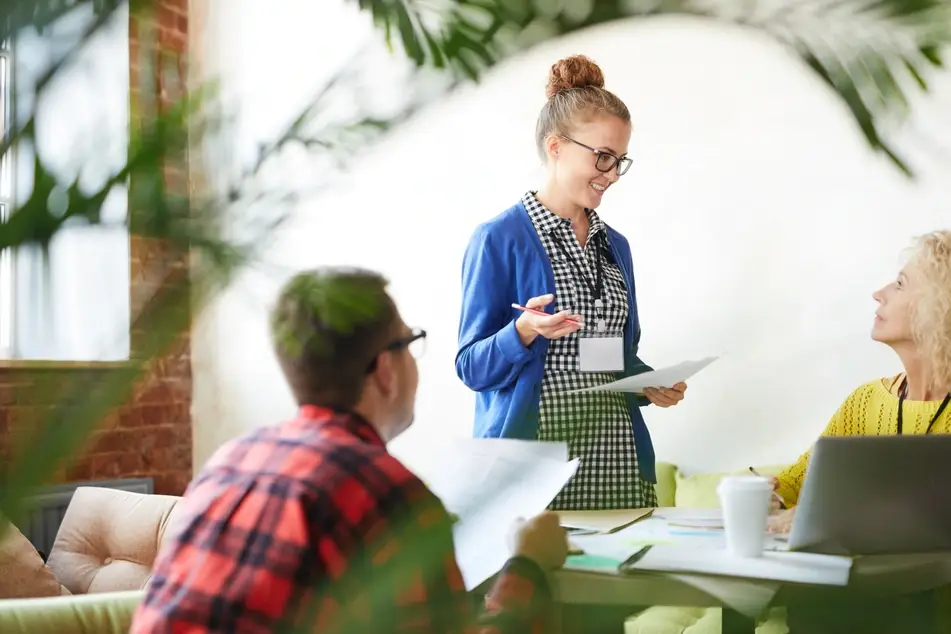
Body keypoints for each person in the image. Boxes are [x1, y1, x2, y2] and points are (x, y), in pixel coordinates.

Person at [130, 268, 568, 634]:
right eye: (410, 342)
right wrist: (527, 563)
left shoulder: (227, 462)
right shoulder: (389, 495)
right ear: (384, 370)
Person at [456, 54, 686, 511]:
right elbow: (471, 367)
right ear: (556, 146)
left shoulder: (614, 246)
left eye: (620, 161)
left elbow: (596, 355)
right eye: (602, 156)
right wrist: (521, 332)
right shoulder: (498, 239)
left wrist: (646, 382)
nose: (612, 174)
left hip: (617, 466)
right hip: (534, 476)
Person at [767, 230, 951, 634]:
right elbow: (800, 481)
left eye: (900, 284)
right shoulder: (865, 401)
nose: (878, 293)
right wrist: (771, 494)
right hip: (839, 601)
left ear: (937, 309)